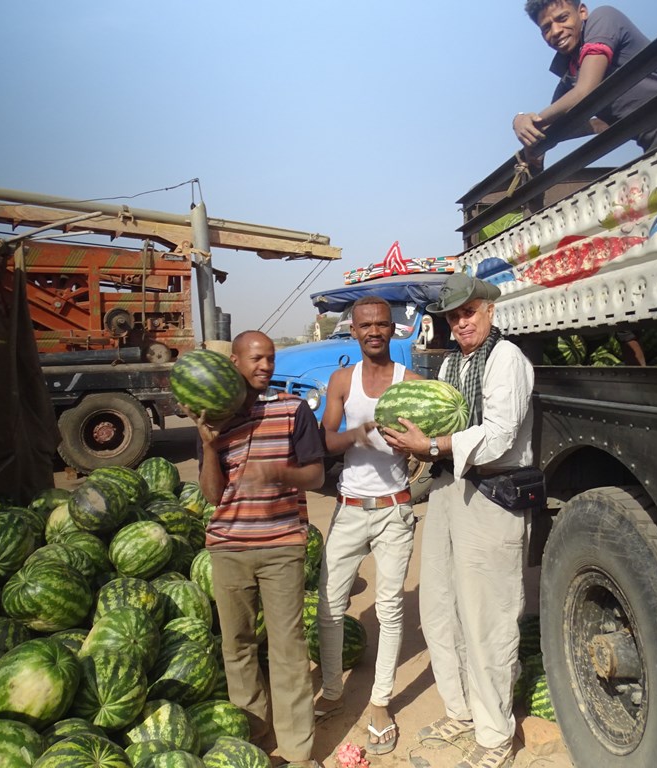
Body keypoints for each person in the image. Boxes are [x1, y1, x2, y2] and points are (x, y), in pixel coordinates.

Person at [382, 274, 534, 768]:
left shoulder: (505, 359)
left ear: (489, 309)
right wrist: (413, 441)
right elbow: (440, 424)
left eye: (469, 311)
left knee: (486, 615)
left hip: (491, 494)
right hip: (450, 489)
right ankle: (461, 710)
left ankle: (495, 737)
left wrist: (429, 446)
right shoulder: (451, 363)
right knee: (440, 606)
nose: (461, 322)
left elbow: (499, 434)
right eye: (453, 316)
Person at [191, 330, 325, 768]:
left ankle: (298, 750)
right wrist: (210, 444)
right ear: (234, 363)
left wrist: (276, 472)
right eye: (256, 359)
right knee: (238, 646)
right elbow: (212, 495)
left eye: (269, 359)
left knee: (288, 648)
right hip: (228, 546)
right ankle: (254, 736)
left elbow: (316, 476)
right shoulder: (212, 417)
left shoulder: (293, 409)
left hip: (281, 545)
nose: (265, 366)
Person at [314, 296, 423, 756]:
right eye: (365, 325)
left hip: (395, 509)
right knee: (329, 605)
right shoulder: (343, 381)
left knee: (390, 609)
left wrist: (417, 447)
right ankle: (334, 690)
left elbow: (427, 442)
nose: (374, 331)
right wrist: (360, 434)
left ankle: (380, 702)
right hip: (350, 507)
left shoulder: (411, 382)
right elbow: (325, 441)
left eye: (382, 324)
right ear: (353, 331)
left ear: (392, 329)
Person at [513, 1, 657, 155]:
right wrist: (520, 120)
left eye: (562, 18)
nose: (556, 31)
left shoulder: (603, 18)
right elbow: (549, 126)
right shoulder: (571, 73)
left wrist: (534, 121)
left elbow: (585, 91)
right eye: (546, 28)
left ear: (582, 12)